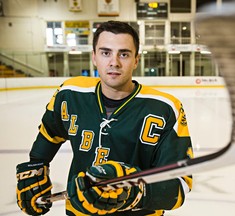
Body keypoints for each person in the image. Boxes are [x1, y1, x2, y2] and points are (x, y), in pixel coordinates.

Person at [16, 20, 193, 216]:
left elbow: (180, 186)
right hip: (80, 211)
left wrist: (133, 191)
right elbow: (50, 134)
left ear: (136, 60)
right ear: (94, 56)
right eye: (105, 52)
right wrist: (37, 167)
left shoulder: (165, 108)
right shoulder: (69, 94)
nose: (114, 62)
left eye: (124, 54)